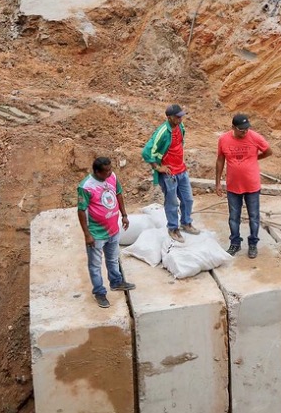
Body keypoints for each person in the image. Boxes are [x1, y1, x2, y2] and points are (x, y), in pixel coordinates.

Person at [77, 157, 136, 308]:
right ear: (97, 172)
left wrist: (124, 215)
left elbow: (119, 194)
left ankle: (116, 282)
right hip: (96, 233)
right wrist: (87, 234)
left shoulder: (112, 177)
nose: (110, 173)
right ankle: (99, 292)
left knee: (113, 258)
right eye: (106, 171)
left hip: (113, 229)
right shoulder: (86, 187)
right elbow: (81, 211)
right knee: (95, 265)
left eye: (110, 169)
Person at [215, 114, 272, 259]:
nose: (245, 132)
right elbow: (220, 161)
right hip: (233, 186)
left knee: (254, 216)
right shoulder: (223, 139)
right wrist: (217, 183)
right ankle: (235, 243)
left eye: (247, 129)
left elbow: (268, 151)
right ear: (233, 127)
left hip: (252, 185)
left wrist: (255, 158)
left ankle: (253, 244)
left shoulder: (255, 137)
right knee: (234, 217)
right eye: (241, 130)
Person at [141, 104, 199, 243]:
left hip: (181, 170)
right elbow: (146, 152)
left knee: (188, 199)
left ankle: (186, 222)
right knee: (172, 202)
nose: (180, 119)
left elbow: (178, 146)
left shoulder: (181, 127)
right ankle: (173, 228)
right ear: (169, 117)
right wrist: (157, 167)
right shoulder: (162, 132)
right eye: (178, 117)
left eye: (181, 116)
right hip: (169, 174)